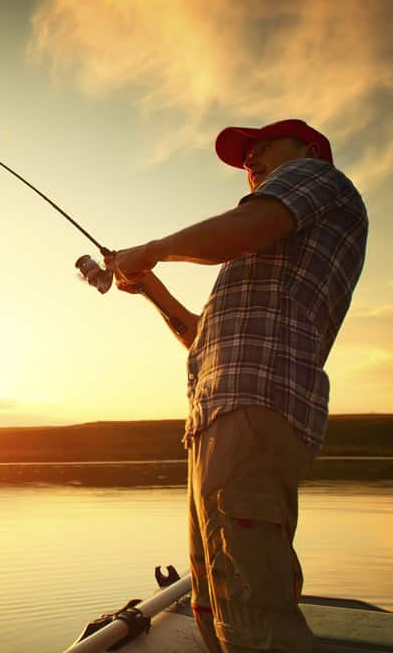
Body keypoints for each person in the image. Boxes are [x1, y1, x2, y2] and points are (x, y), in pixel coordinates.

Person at [108, 118, 367, 652]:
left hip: (252, 411)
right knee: (216, 606)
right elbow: (204, 342)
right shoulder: (270, 243)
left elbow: (240, 231)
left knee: (255, 620)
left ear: (309, 148)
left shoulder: (315, 178)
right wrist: (148, 284)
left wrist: (151, 249)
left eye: (263, 147)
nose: (251, 161)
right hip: (221, 419)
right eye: (247, 157)